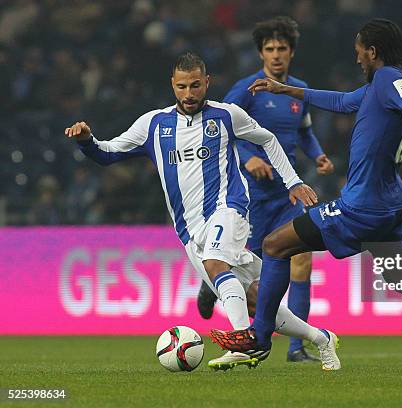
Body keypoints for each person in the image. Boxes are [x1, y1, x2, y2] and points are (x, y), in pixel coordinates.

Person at [210, 19, 402, 371]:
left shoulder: (389, 78)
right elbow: (342, 101)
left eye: (359, 53)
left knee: (276, 245)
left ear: (372, 52)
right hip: (390, 207)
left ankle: (259, 338)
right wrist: (288, 91)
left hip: (361, 206)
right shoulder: (376, 87)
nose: (357, 60)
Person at [65, 52, 340, 371]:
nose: (189, 93)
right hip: (189, 230)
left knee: (216, 262)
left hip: (229, 208)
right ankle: (322, 339)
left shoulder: (227, 115)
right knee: (255, 301)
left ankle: (242, 342)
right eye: (182, 86)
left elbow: (267, 139)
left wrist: (292, 181)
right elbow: (109, 153)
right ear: (173, 85)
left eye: (196, 85)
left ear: (207, 82)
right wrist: (87, 141)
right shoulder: (154, 124)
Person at [196, 16, 334, 363]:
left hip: (286, 193)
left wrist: (317, 155)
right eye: (269, 49)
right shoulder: (247, 88)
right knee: (242, 270)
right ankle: (213, 283)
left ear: (291, 52)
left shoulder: (297, 90)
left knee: (301, 259)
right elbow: (219, 127)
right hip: (250, 195)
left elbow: (303, 131)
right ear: (260, 53)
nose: (276, 55)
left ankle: (295, 348)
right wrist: (248, 159)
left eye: (282, 49)